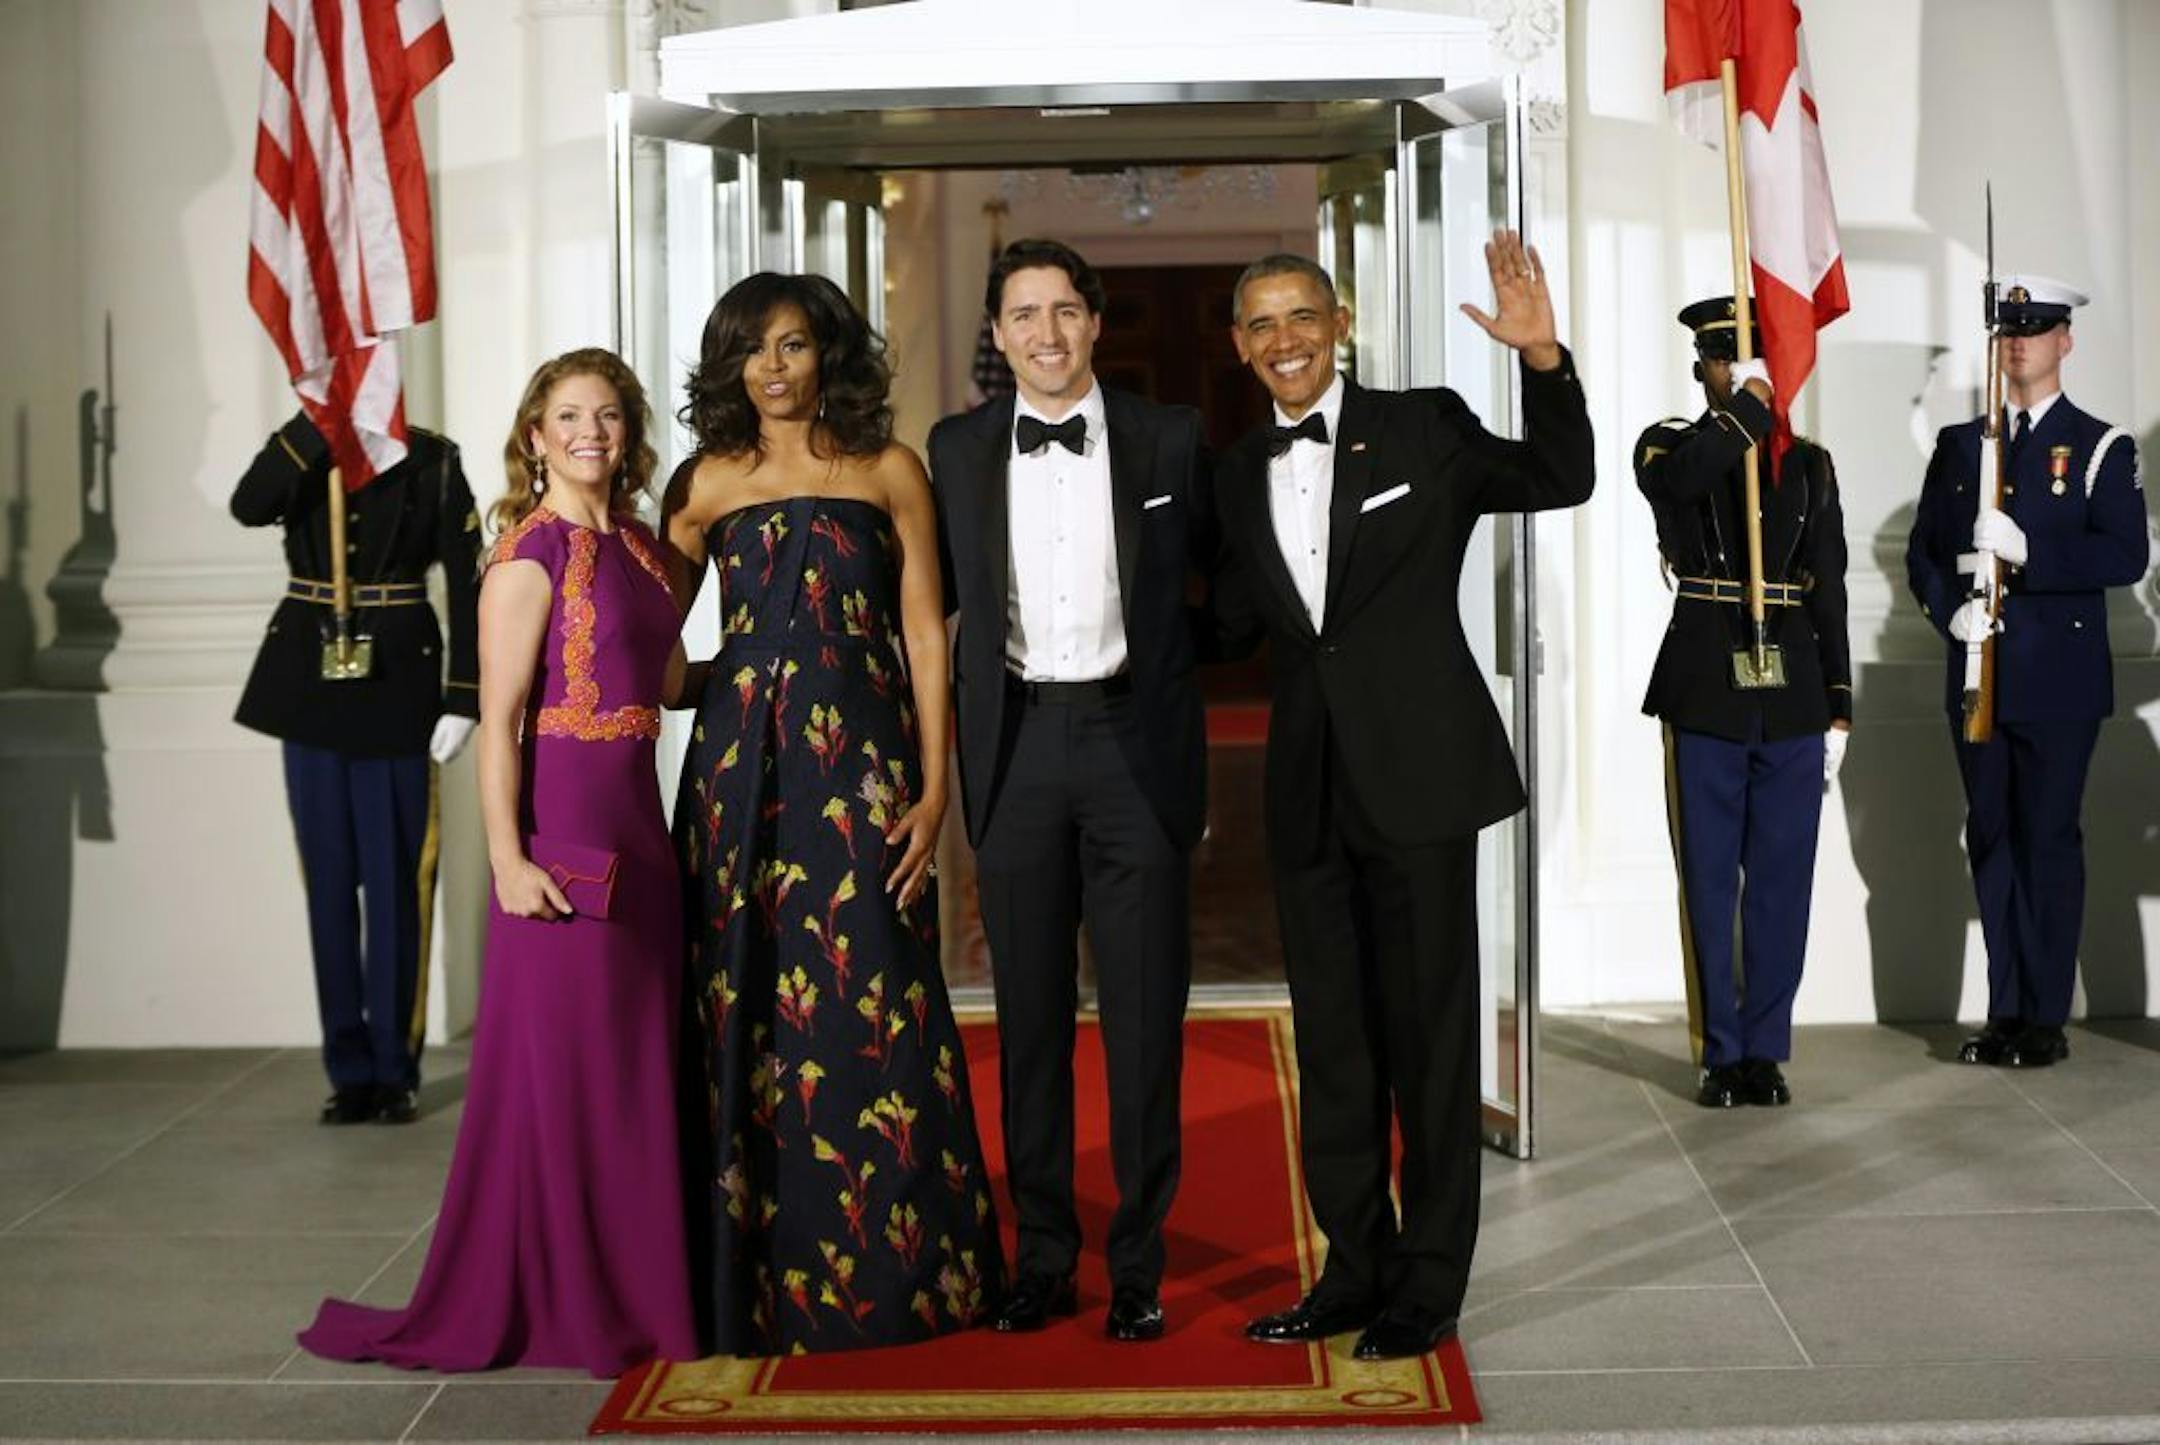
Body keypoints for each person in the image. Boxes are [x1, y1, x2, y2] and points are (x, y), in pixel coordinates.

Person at [1207, 237, 1593, 1361]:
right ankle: (1354, 1266)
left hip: (1421, 779)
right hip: (1307, 788)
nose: (1285, 339)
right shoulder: (1235, 470)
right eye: (1263, 324)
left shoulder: (1426, 426)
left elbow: (1560, 477)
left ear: (1340, 324)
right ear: (1239, 345)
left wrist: (1544, 360)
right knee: (1333, 1045)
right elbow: (1228, 623)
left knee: (1430, 1044)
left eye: (1303, 317)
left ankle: (1428, 1282)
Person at [298, 349, 699, 1375]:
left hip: (641, 831)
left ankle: (642, 1283)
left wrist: (789, 651)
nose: (590, 433)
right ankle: (572, 1291)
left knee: (631, 1072)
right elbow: (501, 723)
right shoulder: (526, 555)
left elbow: (670, 680)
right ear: (535, 435)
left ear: (630, 432)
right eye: (569, 416)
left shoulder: (644, 547)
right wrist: (510, 861)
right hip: (566, 833)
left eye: (608, 415)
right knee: (569, 1074)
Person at [664, 273, 1003, 1356]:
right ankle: (743, 1282)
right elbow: (650, 650)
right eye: (750, 348)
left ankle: (900, 1273)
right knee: (742, 993)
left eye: (793, 344)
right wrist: (725, 672)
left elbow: (927, 635)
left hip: (862, 770)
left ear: (829, 354)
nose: (771, 368)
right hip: (736, 778)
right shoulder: (704, 483)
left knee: (877, 994)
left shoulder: (890, 468)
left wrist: (936, 789)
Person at [928, 239, 1211, 1343]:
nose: (1045, 334)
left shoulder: (1169, 436)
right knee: (1030, 1020)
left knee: (1144, 1021)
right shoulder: (955, 449)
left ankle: (1138, 1265)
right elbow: (927, 603)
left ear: (1094, 321)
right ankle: (1042, 1257)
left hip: (1134, 742)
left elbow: (1222, 584)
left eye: (1063, 311)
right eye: (1023, 315)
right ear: (998, 336)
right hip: (1017, 748)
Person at [1907, 275, 2148, 1069]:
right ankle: (2005, 1010)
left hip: (2058, 680)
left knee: (2046, 838)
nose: (2019, 343)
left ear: (2064, 341)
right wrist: (1949, 612)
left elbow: (2126, 554)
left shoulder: (2101, 446)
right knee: (1991, 836)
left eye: (2036, 328)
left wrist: (2032, 551)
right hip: (1979, 670)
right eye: (2009, 330)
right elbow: (1924, 554)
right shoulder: (1960, 445)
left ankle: (2045, 1016)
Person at [231, 412, 481, 1125]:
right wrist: (313, 431)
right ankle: (348, 1070)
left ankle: (394, 1068)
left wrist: (464, 696)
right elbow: (249, 505)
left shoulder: (431, 458)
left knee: (398, 882)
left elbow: (467, 581)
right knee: (330, 886)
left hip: (398, 689)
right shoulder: (301, 444)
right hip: (308, 688)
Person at [1636, 296, 1852, 1109]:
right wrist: (1750, 411)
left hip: (1792, 689)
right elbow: (1681, 480)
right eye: (1728, 358)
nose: (1743, 370)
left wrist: (1840, 701)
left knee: (1782, 881)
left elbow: (1828, 586)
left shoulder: (1811, 466)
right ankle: (1718, 1050)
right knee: (1708, 880)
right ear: (1702, 368)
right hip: (1706, 686)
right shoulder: (1668, 443)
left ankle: (1765, 1049)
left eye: (1758, 358)